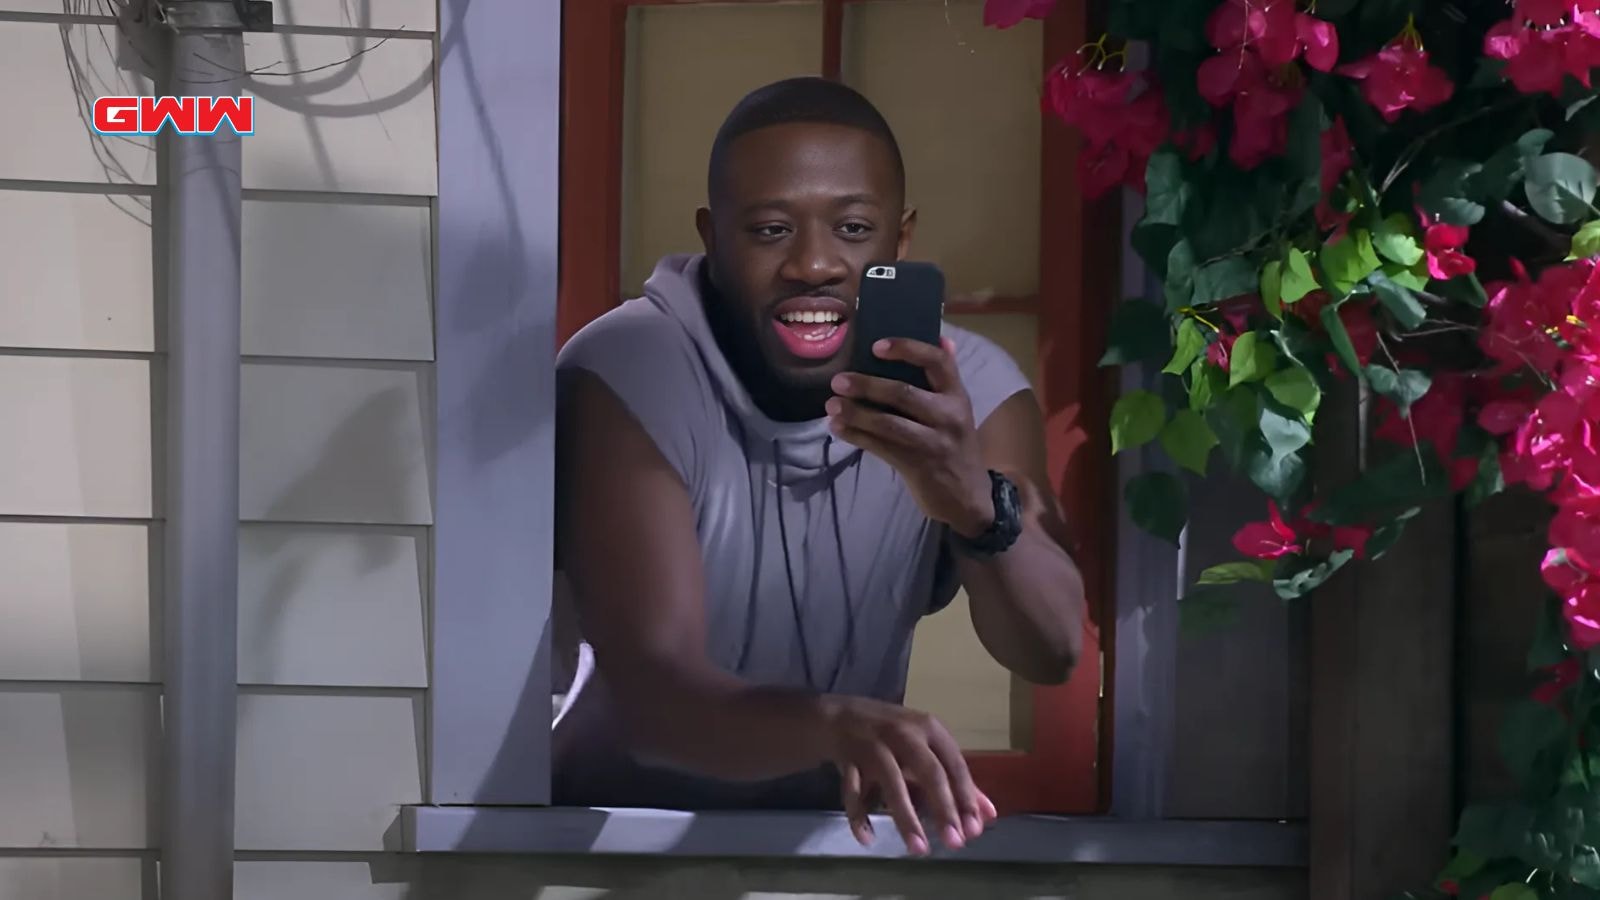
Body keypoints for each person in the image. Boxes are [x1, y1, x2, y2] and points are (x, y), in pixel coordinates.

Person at [551, 76, 1086, 856]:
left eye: (854, 227)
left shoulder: (972, 389)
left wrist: (977, 504)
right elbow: (651, 695)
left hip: (828, 850)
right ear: (714, 237)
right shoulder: (629, 367)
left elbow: (1053, 649)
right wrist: (836, 724)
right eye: (770, 230)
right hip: (599, 846)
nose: (814, 263)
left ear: (900, 242)